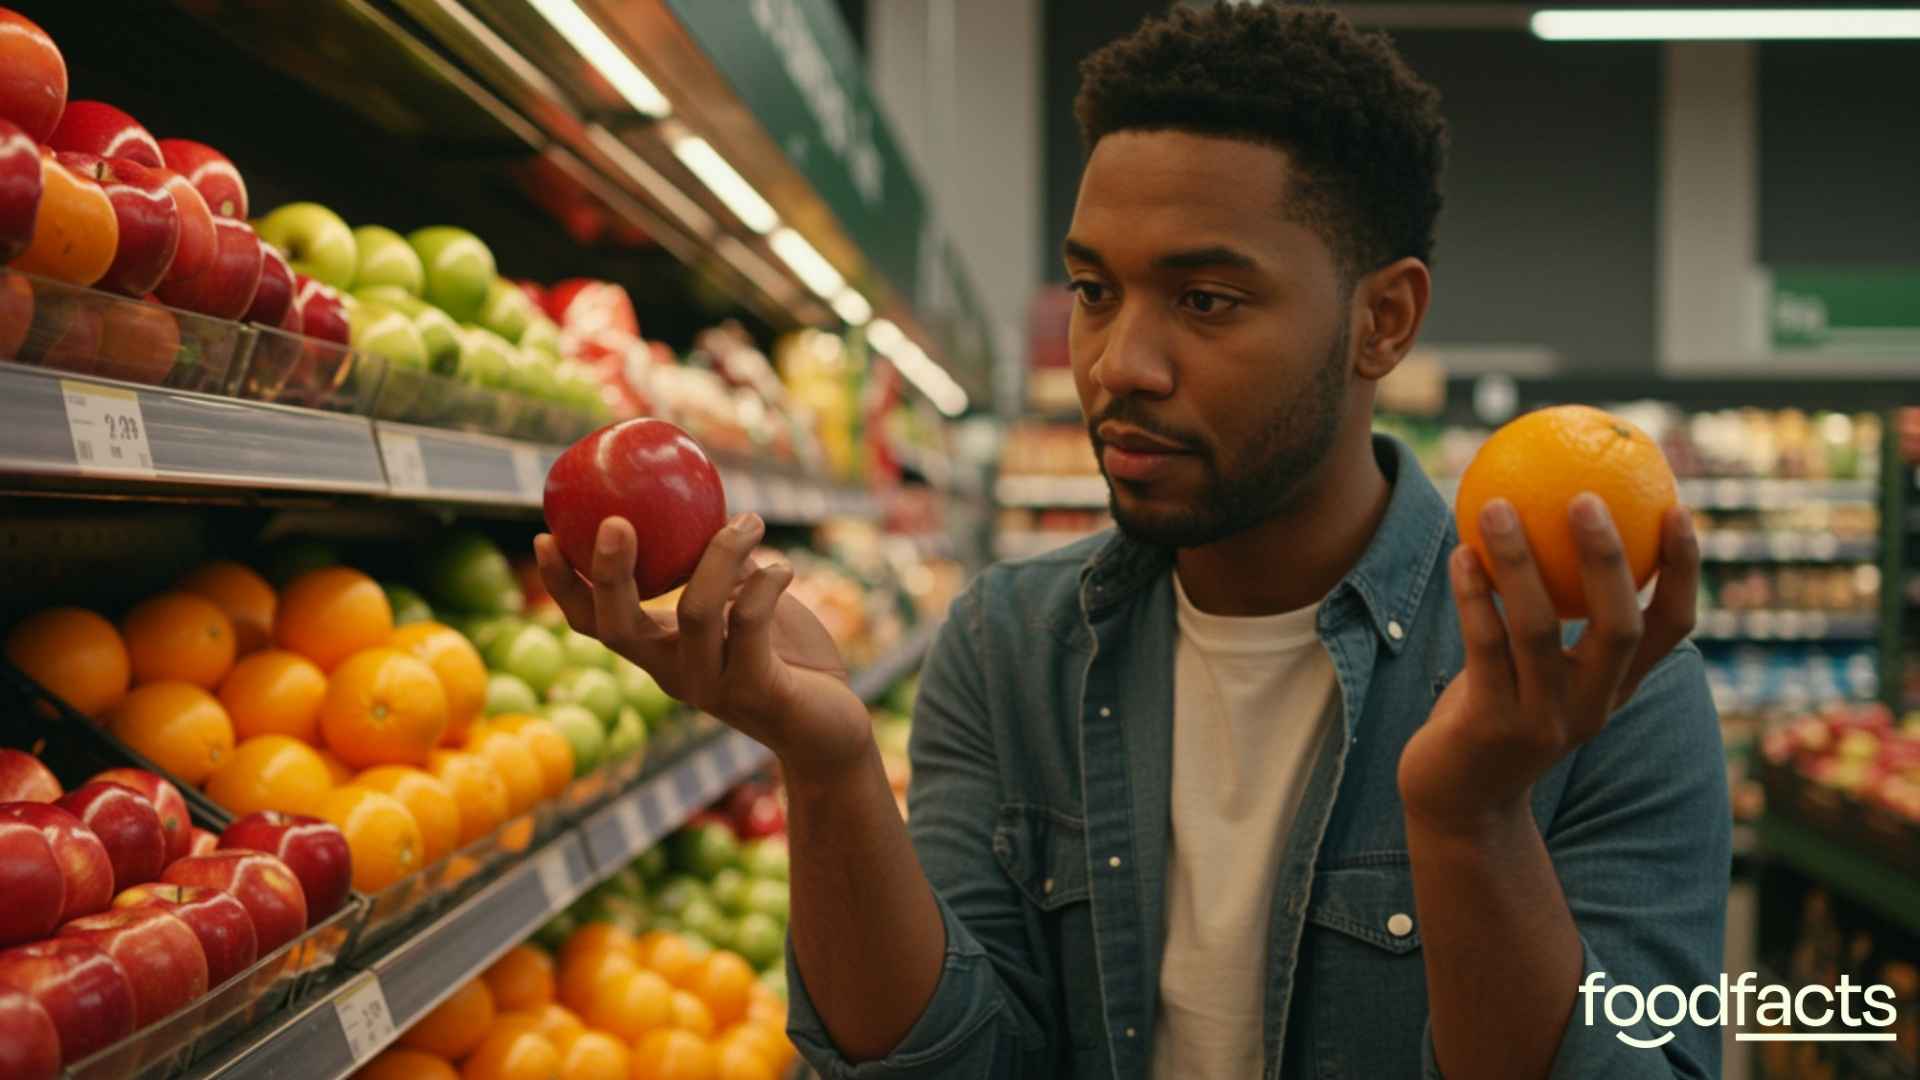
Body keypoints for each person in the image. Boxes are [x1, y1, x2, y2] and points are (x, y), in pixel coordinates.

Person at [534, 3, 1730, 1077]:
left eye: (1205, 301)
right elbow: (950, 1063)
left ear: (1383, 320)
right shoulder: (1009, 648)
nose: (1118, 365)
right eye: (1095, 292)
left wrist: (1473, 823)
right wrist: (828, 765)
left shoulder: (1599, 694)